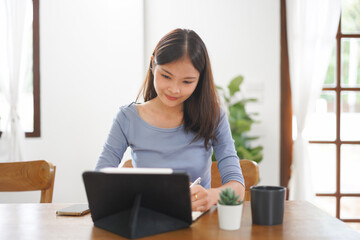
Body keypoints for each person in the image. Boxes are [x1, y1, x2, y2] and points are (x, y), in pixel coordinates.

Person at [95, 28, 244, 212]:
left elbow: (237, 187)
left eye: (187, 81)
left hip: (197, 224)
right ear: (152, 65)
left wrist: (211, 196)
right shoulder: (127, 118)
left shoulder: (213, 116)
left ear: (200, 80)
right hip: (147, 220)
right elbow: (99, 180)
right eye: (166, 76)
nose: (174, 89)